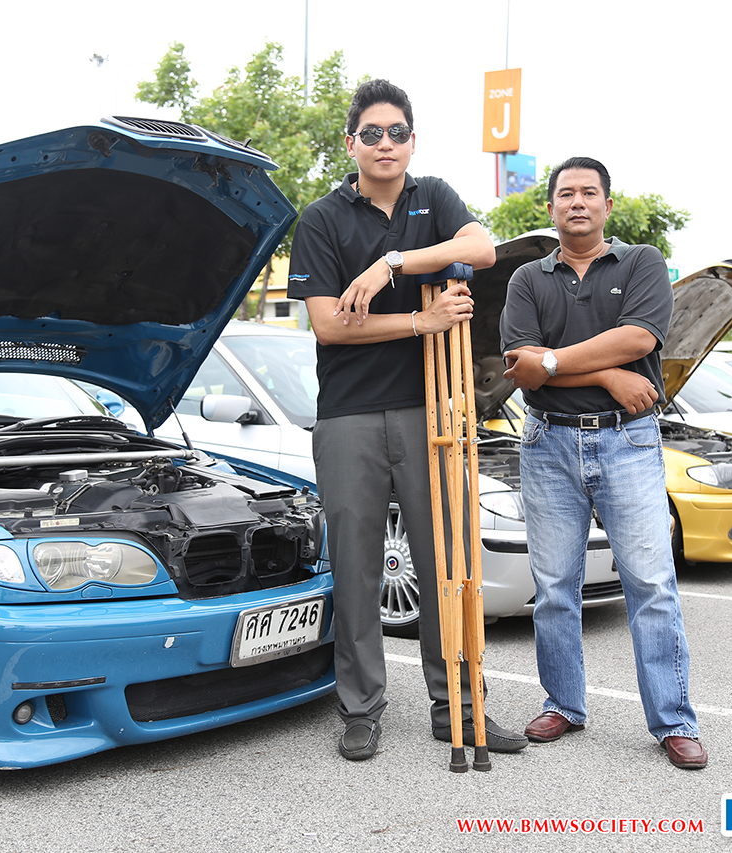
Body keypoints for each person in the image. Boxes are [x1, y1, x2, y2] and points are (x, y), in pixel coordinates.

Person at [286, 79, 525, 761]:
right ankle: (361, 708)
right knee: (357, 568)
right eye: (372, 133)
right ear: (351, 143)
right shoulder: (322, 219)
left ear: (412, 141)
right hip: (349, 416)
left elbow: (482, 249)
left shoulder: (434, 198)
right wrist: (422, 320)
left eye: (396, 132)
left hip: (431, 410)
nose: (384, 143)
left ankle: (459, 708)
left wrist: (390, 263)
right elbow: (331, 325)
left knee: (447, 562)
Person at [498, 156, 707, 769]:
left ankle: (673, 721)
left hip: (628, 442)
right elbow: (521, 366)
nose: (578, 202)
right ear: (551, 208)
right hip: (548, 444)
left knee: (651, 584)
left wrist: (553, 362)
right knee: (554, 588)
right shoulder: (527, 279)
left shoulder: (642, 262)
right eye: (566, 194)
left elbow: (639, 337)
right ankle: (563, 704)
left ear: (607, 205)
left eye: (589, 193)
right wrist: (609, 375)